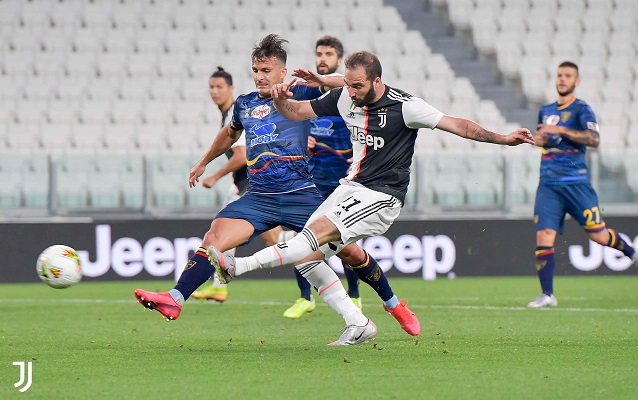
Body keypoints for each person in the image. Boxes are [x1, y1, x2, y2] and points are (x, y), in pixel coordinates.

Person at [134, 35, 418, 346]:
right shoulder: (245, 103)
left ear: (282, 73)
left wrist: (322, 77)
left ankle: (392, 303)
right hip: (258, 197)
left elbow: (348, 83)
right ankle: (175, 298)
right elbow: (228, 135)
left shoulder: (302, 91)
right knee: (215, 237)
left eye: (266, 70)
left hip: (301, 193)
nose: (259, 76)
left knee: (348, 252)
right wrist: (204, 161)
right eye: (255, 69)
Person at [208, 51, 534, 312]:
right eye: (347, 86)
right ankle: (379, 312)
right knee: (311, 255)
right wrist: (279, 100)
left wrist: (503, 139)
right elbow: (295, 112)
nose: (351, 93)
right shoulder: (343, 99)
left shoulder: (406, 106)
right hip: (350, 187)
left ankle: (238, 267)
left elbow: (459, 125)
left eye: (358, 87)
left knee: (313, 234)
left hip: (384, 195)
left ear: (377, 81)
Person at [527, 61, 638, 308]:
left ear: (576, 81)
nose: (562, 79)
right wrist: (537, 139)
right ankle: (547, 294)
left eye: (568, 76)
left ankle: (632, 252)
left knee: (599, 235)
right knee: (544, 235)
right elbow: (542, 139)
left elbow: (593, 139)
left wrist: (560, 129)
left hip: (576, 182)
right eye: (559, 75)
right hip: (548, 184)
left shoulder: (581, 110)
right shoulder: (545, 110)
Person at [281, 35, 362, 319]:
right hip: (312, 176)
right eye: (319, 53)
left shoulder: (347, 91)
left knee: (345, 241)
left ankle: (355, 296)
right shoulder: (305, 91)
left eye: (328, 54)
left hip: (344, 178)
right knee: (298, 236)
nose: (322, 58)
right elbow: (287, 117)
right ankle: (305, 297)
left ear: (339, 60)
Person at [190, 67, 282, 302]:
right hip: (246, 183)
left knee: (229, 231)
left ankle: (318, 246)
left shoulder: (235, 111)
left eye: (220, 87)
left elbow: (241, 156)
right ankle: (219, 285)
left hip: (253, 183)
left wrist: (214, 175)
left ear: (231, 89)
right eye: (212, 87)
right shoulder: (229, 113)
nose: (215, 91)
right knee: (230, 231)